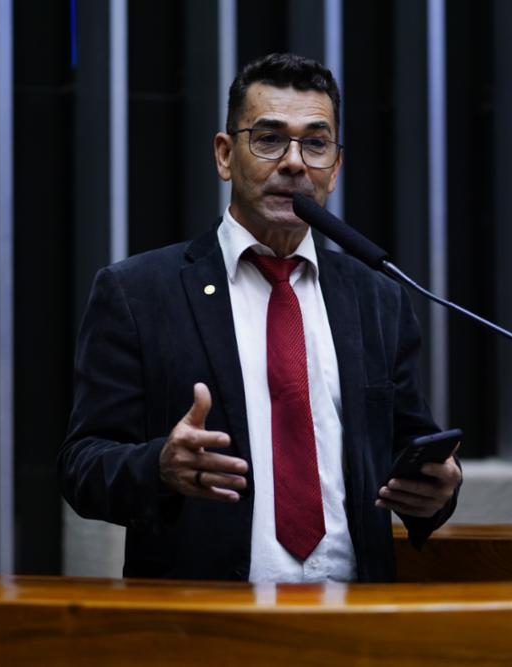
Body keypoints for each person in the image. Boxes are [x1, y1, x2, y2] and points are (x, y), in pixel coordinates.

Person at [58, 53, 462, 583]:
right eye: (269, 139)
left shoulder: (377, 296)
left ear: (335, 168)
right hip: (205, 621)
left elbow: (411, 460)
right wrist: (160, 465)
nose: (294, 162)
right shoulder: (139, 293)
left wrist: (439, 490)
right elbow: (82, 466)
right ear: (225, 155)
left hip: (356, 618)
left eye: (315, 143)